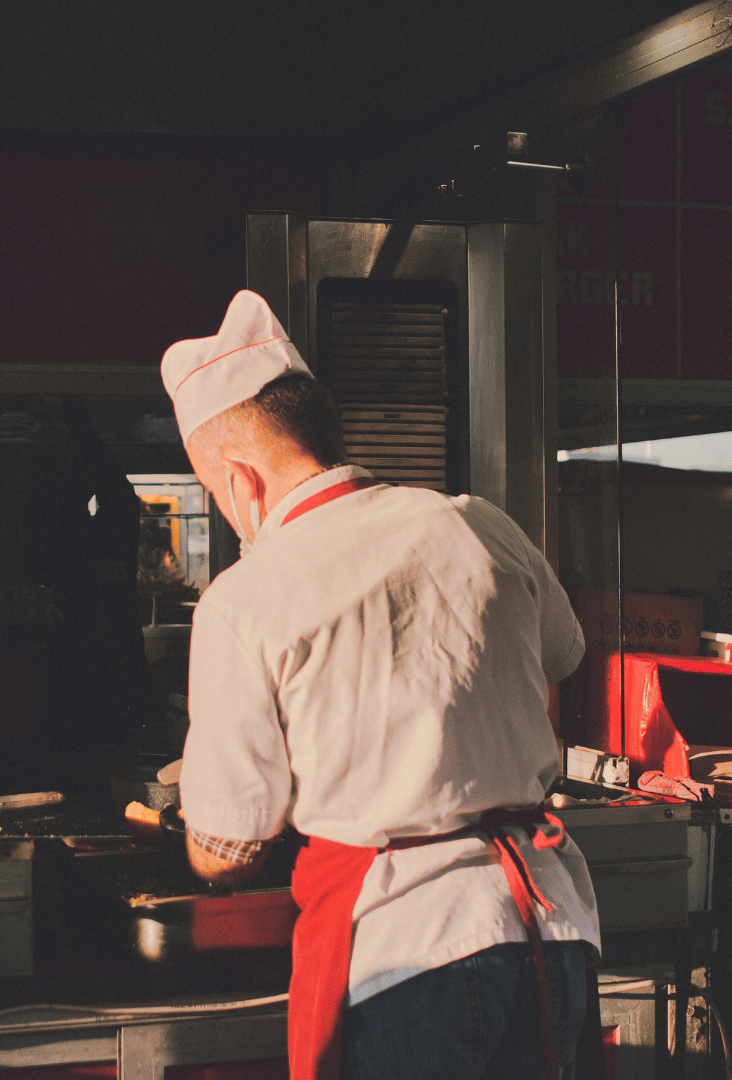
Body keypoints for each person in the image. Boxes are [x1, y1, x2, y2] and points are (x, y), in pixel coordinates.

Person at [162, 291, 598, 1080]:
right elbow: (564, 655)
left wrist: (198, 827)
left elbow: (228, 850)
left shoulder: (244, 598)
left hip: (412, 952)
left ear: (240, 481)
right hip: (547, 925)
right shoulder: (481, 523)